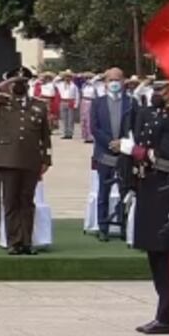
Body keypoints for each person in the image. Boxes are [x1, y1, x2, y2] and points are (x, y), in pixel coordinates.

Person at [120, 81, 169, 334]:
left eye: (165, 91)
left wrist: (138, 152)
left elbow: (168, 156)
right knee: (154, 254)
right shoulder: (149, 115)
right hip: (148, 187)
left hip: (167, 189)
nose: (159, 95)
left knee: (168, 254)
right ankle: (163, 312)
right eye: (158, 91)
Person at [0, 67, 52, 255]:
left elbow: (45, 136)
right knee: (10, 202)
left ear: (28, 84)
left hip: (31, 160)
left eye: (23, 81)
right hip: (7, 159)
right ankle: (14, 241)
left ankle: (26, 241)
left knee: (27, 202)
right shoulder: (0, 103)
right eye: (15, 82)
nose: (19, 85)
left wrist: (46, 159)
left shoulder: (38, 105)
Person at [91, 67, 136, 241]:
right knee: (104, 190)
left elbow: (135, 127)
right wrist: (110, 143)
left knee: (126, 191)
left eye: (118, 79)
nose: (114, 83)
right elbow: (94, 128)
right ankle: (103, 226)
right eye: (111, 80)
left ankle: (124, 226)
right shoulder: (98, 103)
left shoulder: (132, 102)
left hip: (125, 153)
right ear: (105, 83)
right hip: (104, 153)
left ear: (124, 81)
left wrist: (122, 143)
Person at [55, 70, 80, 140]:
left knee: (70, 119)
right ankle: (65, 133)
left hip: (70, 101)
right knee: (64, 118)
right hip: (63, 101)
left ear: (71, 78)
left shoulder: (74, 86)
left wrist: (76, 104)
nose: (67, 78)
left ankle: (70, 133)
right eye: (66, 77)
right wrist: (60, 76)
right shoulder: (60, 84)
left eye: (69, 77)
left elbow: (77, 95)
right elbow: (54, 82)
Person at [79, 72, 98, 143]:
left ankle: (91, 136)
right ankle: (85, 136)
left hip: (91, 101)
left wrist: (93, 80)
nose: (88, 79)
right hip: (84, 101)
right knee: (83, 119)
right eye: (86, 78)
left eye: (89, 78)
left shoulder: (94, 86)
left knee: (89, 119)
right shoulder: (84, 86)